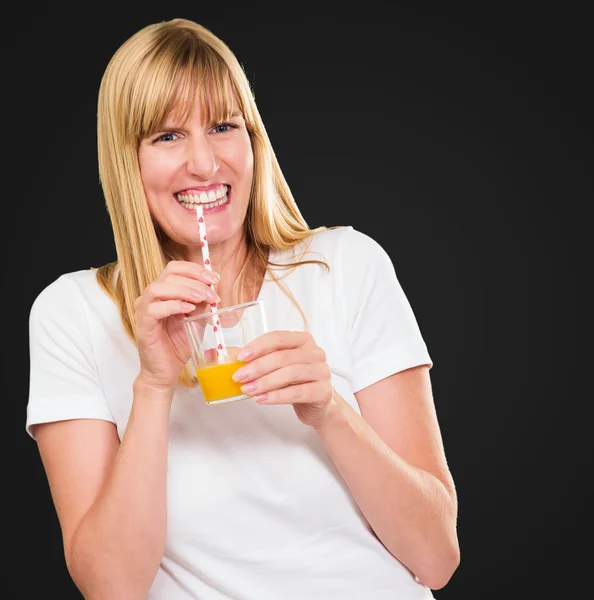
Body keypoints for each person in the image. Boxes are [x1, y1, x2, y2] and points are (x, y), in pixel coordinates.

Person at [26, 17, 460, 600]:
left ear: (253, 140)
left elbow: (436, 559)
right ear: (126, 162)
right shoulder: (72, 313)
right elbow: (112, 588)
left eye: (224, 126)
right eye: (167, 136)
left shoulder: (346, 266)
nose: (205, 164)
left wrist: (329, 408)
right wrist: (154, 387)